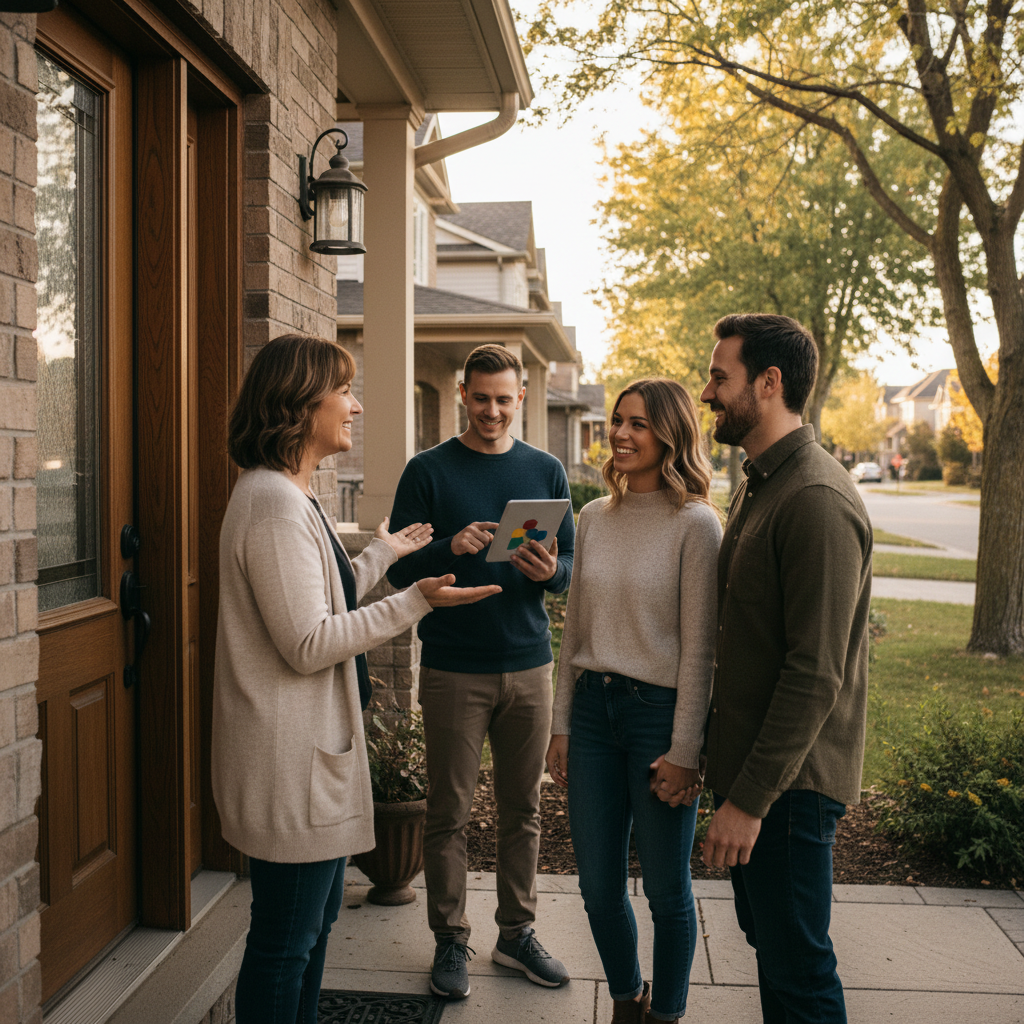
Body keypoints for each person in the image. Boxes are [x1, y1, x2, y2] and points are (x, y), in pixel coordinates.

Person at [211, 334, 500, 1024]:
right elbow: (309, 641)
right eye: (344, 390)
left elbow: (319, 595)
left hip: (308, 766)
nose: (357, 405)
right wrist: (415, 601)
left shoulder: (289, 497)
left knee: (308, 934)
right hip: (292, 770)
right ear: (300, 401)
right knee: (287, 943)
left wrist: (379, 556)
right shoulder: (274, 504)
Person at [386, 344, 575, 999]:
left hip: (529, 668)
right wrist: (449, 545)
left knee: (524, 810)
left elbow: (572, 566)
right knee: (450, 813)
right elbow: (395, 568)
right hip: (453, 670)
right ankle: (450, 941)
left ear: (519, 397)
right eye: (481, 397)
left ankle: (517, 934)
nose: (492, 410)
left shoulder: (545, 470)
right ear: (464, 394)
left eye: (504, 399)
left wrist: (554, 573)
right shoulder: (428, 471)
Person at [698, 314, 872, 1023]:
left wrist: (748, 803)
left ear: (769, 384)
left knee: (799, 971)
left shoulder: (814, 499)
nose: (707, 392)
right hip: (760, 779)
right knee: (775, 950)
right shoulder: (762, 482)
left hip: (790, 790)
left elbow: (815, 674)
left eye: (719, 376)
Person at [545, 378, 722, 1024]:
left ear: (670, 435)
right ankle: (628, 998)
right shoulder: (592, 518)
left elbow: (701, 650)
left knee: (669, 892)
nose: (619, 433)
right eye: (617, 420)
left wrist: (685, 749)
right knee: (596, 887)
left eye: (638, 424)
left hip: (658, 718)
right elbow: (575, 633)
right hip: (592, 712)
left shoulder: (697, 525)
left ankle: (666, 1014)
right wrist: (561, 722)